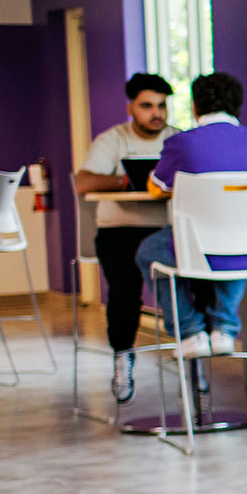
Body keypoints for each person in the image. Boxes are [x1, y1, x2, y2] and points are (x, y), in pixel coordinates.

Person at [133, 72, 247, 361]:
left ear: (196, 107)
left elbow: (155, 189)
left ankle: (189, 332)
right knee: (233, 238)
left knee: (149, 251)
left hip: (198, 251)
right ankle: (224, 327)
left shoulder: (182, 143)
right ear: (237, 106)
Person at [73, 73, 181, 402]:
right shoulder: (112, 140)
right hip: (119, 231)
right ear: (130, 107)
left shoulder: (177, 139)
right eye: (147, 106)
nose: (156, 113)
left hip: (167, 229)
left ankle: (192, 355)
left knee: (189, 290)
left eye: (162, 106)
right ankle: (123, 357)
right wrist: (131, 182)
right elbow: (85, 183)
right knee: (124, 293)